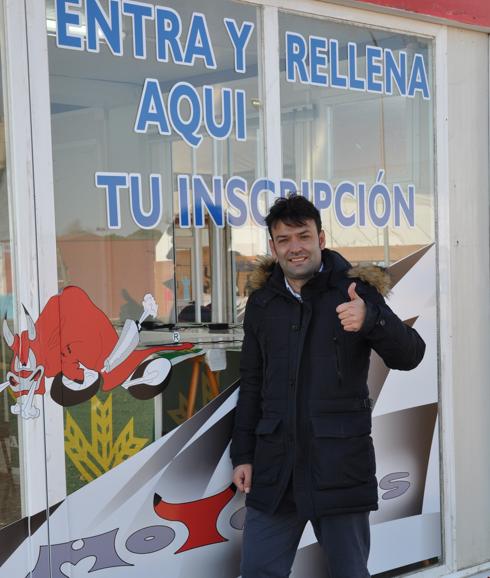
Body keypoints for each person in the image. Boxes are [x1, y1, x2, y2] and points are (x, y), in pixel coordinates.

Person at [230, 195, 425, 578]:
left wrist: (372, 320)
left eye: (303, 236)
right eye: (284, 239)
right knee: (257, 571)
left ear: (321, 238)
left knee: (349, 572)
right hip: (276, 469)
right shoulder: (262, 303)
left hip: (338, 467)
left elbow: (410, 355)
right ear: (273, 247)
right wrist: (244, 454)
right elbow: (252, 382)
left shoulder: (353, 292)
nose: (295, 247)